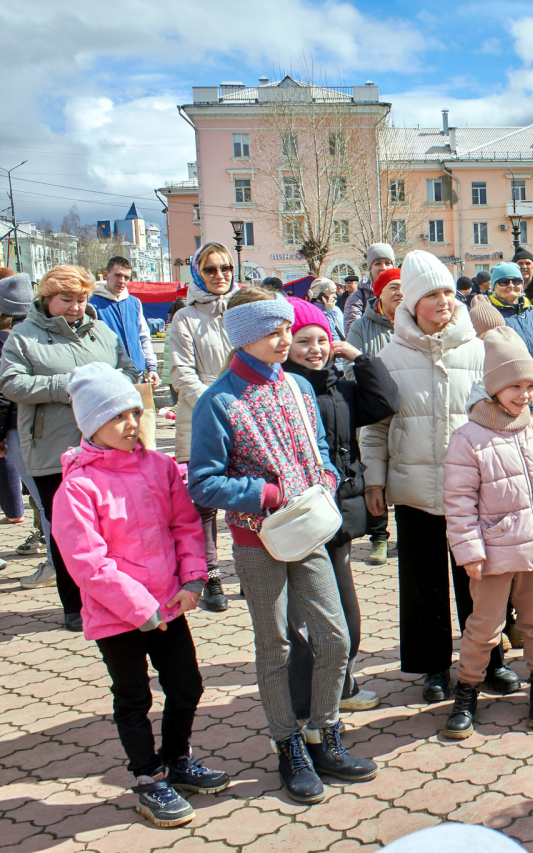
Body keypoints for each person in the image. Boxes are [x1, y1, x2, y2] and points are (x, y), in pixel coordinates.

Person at [187, 286, 377, 804]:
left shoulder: (295, 386)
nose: (285, 338)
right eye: (274, 332)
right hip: (258, 539)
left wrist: (327, 476)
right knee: (276, 645)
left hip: (310, 530)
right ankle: (288, 744)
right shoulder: (218, 401)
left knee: (334, 638)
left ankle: (324, 733)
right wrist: (264, 492)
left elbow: (317, 445)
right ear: (246, 338)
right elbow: (202, 482)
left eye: (286, 329)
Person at [53, 363, 229, 828]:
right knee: (132, 696)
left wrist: (193, 580)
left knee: (187, 684)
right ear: (92, 424)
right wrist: (139, 607)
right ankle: (149, 778)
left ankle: (177, 758)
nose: (132, 424)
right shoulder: (77, 486)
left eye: (135, 412)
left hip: (168, 603)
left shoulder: (161, 466)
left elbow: (185, 525)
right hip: (117, 615)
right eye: (118, 417)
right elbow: (87, 563)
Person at [361, 251, 520, 703]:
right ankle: (432, 669)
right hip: (416, 490)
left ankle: (490, 660)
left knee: (481, 582)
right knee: (423, 584)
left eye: (449, 292)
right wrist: (375, 479)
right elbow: (374, 426)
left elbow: (501, 413)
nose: (445, 301)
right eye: (433, 294)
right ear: (411, 302)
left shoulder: (479, 347)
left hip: (474, 491)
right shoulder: (389, 357)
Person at [442, 325, 533, 738]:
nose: (523, 395)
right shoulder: (468, 438)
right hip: (494, 555)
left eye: (529, 386)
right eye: (513, 386)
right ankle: (467, 689)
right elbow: (459, 502)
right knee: (485, 626)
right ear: (493, 387)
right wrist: (468, 551)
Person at [0, 264, 139, 632]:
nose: (77, 307)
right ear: (47, 299)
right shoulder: (23, 336)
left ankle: (114, 596)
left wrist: (115, 383)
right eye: (67, 300)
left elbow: (127, 369)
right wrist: (71, 385)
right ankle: (74, 604)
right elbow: (11, 384)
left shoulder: (101, 331)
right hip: (52, 450)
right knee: (67, 531)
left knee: (112, 527)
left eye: (81, 299)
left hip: (107, 447)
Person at [282, 298, 399, 716]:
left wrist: (359, 356)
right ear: (284, 344)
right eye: (303, 341)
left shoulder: (340, 386)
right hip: (296, 517)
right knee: (302, 616)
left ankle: (343, 684)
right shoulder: (281, 389)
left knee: (345, 610)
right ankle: (305, 702)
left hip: (338, 512)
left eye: (321, 339)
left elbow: (386, 402)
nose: (315, 348)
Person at [166, 242, 238, 612]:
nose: (220, 275)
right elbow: (180, 373)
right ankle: (210, 577)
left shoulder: (245, 308)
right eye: (210, 270)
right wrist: (218, 404)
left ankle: (252, 567)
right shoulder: (185, 318)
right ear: (197, 273)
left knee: (247, 496)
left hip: (246, 415)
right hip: (201, 416)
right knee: (205, 504)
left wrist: (242, 404)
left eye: (225, 267)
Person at [344, 267, 402, 566]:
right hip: (375, 412)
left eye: (404, 286)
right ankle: (378, 538)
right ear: (379, 292)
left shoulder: (414, 322)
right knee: (373, 473)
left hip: (407, 411)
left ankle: (405, 536)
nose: (399, 292)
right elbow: (349, 366)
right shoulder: (362, 327)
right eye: (392, 286)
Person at [0, 270, 44, 583]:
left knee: (43, 501)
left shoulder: (6, 340)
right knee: (48, 498)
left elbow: (4, 396)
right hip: (48, 424)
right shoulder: (39, 332)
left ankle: (58, 564)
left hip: (18, 427)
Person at [481, 262, 533, 409]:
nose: (511, 285)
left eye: (516, 281)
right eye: (504, 281)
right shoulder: (489, 316)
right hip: (512, 398)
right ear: (493, 286)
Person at [89, 257, 160, 386]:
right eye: (117, 275)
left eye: (126, 277)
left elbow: (144, 337)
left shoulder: (134, 302)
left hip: (137, 373)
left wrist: (152, 367)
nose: (122, 281)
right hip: (110, 376)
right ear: (106, 274)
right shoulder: (92, 304)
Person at [344, 244, 396, 334]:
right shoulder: (358, 298)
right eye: (377, 263)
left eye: (388, 263)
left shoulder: (403, 294)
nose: (383, 268)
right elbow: (352, 335)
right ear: (370, 268)